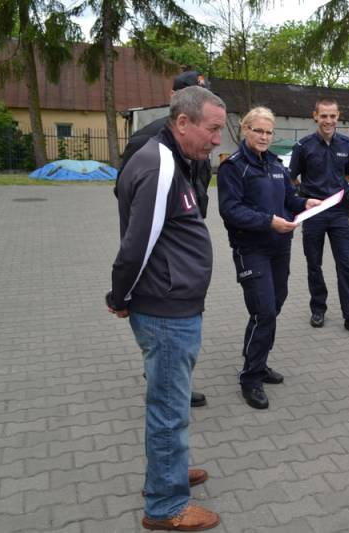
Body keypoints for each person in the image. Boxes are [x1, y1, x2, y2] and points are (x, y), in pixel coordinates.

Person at [106, 86, 225, 531]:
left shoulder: (173, 159)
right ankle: (165, 505)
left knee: (171, 405)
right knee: (169, 411)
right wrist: (119, 297)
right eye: (212, 129)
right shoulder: (160, 166)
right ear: (183, 122)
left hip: (174, 306)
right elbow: (136, 245)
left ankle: (168, 472)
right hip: (165, 311)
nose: (217, 140)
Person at [116, 69, 212, 408]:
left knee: (179, 346)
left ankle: (173, 380)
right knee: (166, 353)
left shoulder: (199, 136)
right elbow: (128, 193)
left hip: (184, 254)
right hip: (161, 264)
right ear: (174, 99)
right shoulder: (147, 140)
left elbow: (199, 184)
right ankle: (163, 381)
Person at [217, 106, 321, 410]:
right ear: (245, 130)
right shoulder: (233, 167)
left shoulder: (276, 164)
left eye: (268, 132)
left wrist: (305, 202)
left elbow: (288, 199)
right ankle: (250, 378)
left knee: (273, 307)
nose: (264, 137)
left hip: (280, 247)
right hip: (251, 249)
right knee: (263, 311)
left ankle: (258, 361)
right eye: (258, 131)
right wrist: (269, 221)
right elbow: (230, 210)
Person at [289, 97, 349, 337]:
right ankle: (318, 309)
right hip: (313, 212)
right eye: (323, 116)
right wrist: (308, 195)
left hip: (338, 213)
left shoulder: (346, 144)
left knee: (347, 263)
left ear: (338, 116)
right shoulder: (303, 146)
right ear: (315, 116)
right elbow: (292, 177)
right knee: (314, 263)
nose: (328, 120)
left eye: (332, 116)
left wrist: (334, 192)